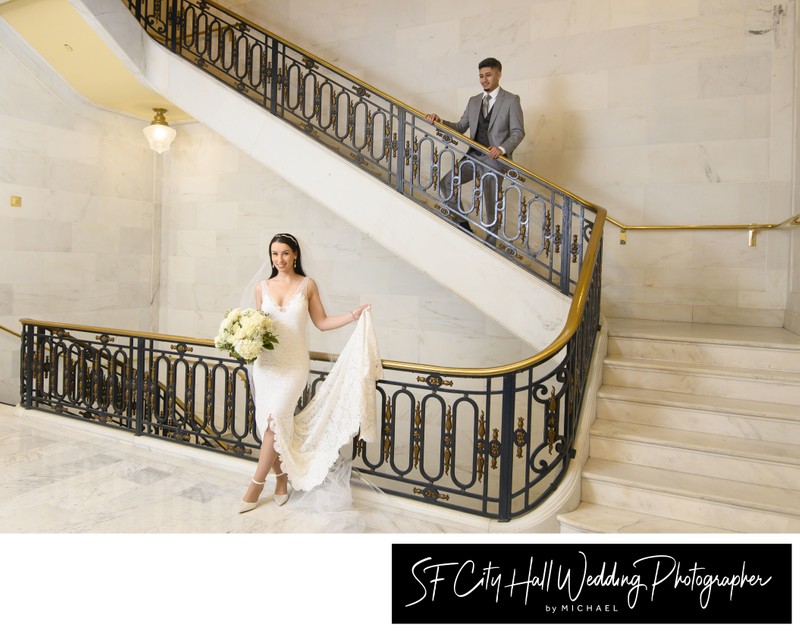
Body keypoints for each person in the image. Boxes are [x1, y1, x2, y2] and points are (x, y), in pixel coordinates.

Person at [238, 232, 379, 514]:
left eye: (285, 254)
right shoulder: (261, 287)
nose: (279, 259)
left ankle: (255, 484)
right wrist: (244, 340)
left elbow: (322, 322)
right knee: (271, 425)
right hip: (266, 366)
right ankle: (280, 480)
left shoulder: (307, 285)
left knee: (275, 418)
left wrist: (352, 316)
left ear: (295, 255)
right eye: (275, 254)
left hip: (293, 366)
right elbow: (257, 325)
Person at [425, 57, 525, 245]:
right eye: (481, 76)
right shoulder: (473, 101)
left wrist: (502, 149)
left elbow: (518, 132)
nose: (484, 80)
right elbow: (461, 126)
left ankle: (490, 244)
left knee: (490, 202)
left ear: (498, 75)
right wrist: (440, 122)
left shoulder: (511, 100)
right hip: (472, 156)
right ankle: (463, 225)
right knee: (446, 183)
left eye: (488, 75)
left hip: (494, 159)